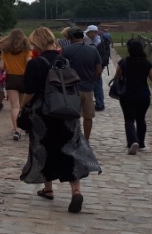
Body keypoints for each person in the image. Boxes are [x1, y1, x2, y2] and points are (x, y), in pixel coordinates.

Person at [19, 26, 102, 213]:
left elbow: (30, 91)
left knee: (43, 148)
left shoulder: (35, 63)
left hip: (43, 112)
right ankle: (76, 191)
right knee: (70, 149)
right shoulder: (63, 60)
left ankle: (48, 188)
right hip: (66, 110)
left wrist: (23, 107)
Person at [114, 39, 152, 155]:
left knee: (129, 119)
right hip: (143, 94)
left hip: (127, 94)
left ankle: (132, 141)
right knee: (141, 118)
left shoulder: (124, 62)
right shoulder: (147, 63)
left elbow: (117, 76)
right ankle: (141, 142)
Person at [61, 27, 103, 141]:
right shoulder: (93, 50)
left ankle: (73, 138)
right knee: (88, 116)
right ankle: (86, 139)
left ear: (71, 37)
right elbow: (98, 70)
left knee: (72, 116)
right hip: (88, 87)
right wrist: (92, 80)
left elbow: (61, 69)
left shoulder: (66, 50)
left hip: (71, 87)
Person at [0, 28, 31, 140]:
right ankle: (25, 126)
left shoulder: (5, 51)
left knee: (14, 106)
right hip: (24, 78)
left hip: (11, 78)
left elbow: (1, 67)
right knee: (23, 105)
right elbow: (29, 63)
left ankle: (16, 130)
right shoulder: (27, 50)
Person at [84, 25, 107, 111]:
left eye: (89, 32)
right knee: (97, 85)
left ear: (94, 32)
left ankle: (100, 104)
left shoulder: (97, 42)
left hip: (95, 67)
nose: (87, 34)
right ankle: (99, 102)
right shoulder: (96, 40)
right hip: (97, 66)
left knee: (97, 85)